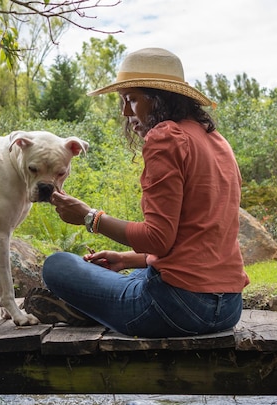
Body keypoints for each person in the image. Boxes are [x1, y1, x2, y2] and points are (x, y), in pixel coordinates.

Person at [24, 47, 249, 338]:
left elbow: (158, 239)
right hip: (228, 307)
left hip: (176, 309)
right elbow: (195, 239)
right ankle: (97, 305)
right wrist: (127, 259)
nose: (125, 112)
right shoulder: (216, 141)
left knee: (58, 265)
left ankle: (89, 308)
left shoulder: (166, 137)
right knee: (139, 273)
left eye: (132, 100)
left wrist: (89, 218)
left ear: (160, 99)